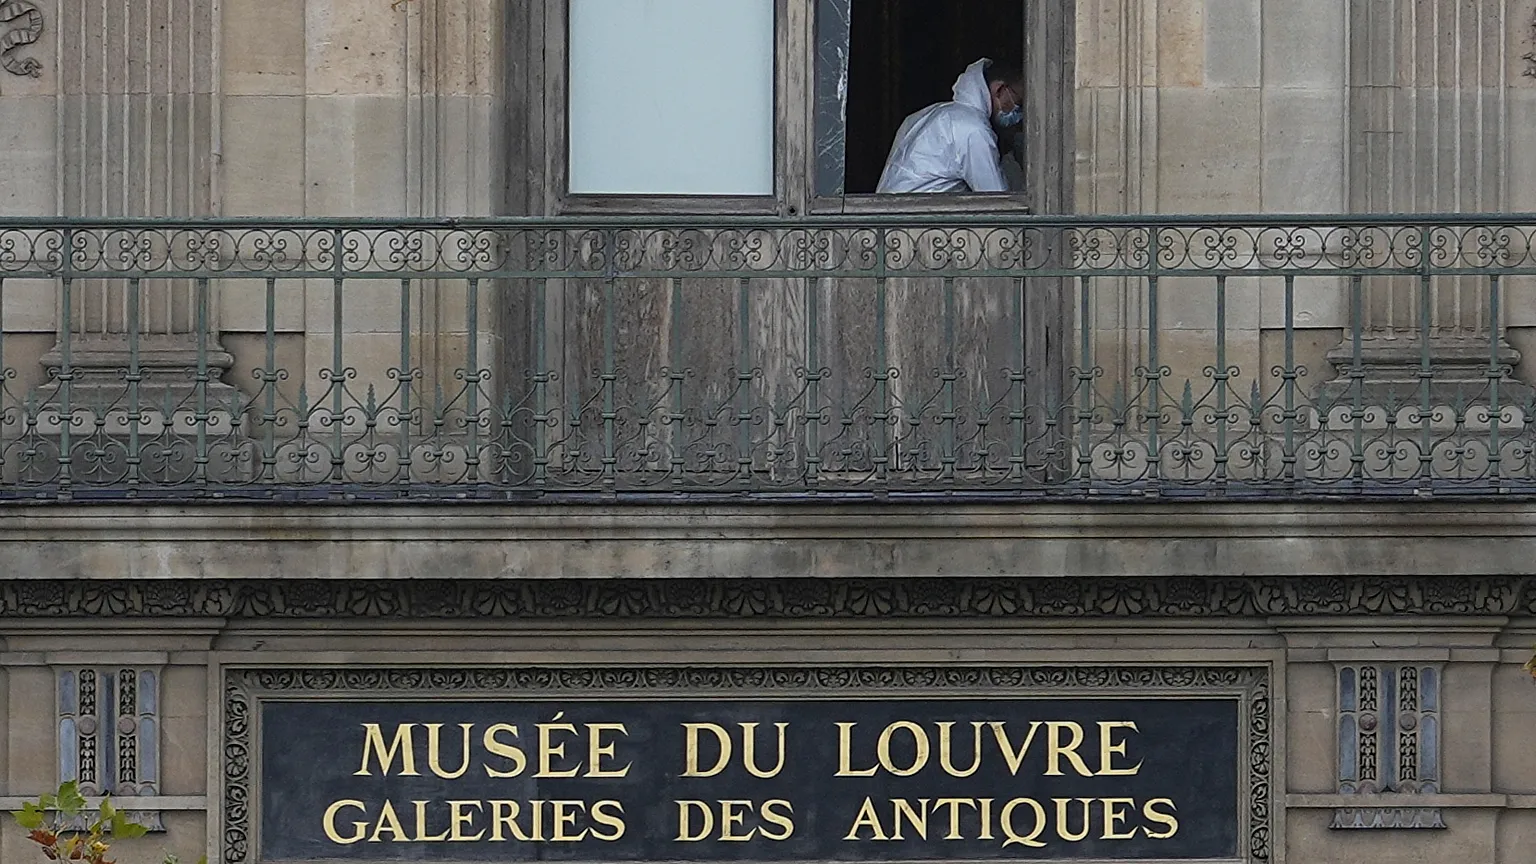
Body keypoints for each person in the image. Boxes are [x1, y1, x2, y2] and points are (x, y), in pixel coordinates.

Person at [876, 59, 1024, 194]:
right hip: (917, 219)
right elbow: (997, 199)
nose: (1019, 113)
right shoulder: (973, 129)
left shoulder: (927, 114)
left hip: (888, 215)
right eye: (1019, 102)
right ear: (999, 89)